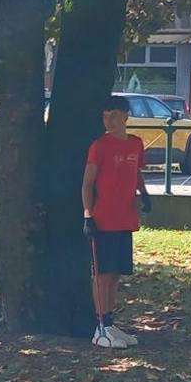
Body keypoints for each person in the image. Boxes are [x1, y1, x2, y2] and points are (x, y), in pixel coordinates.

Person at [81, 95, 151, 349]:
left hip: (125, 218)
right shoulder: (99, 146)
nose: (109, 121)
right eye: (105, 116)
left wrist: (144, 193)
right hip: (104, 219)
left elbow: (136, 172)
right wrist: (88, 215)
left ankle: (110, 322)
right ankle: (100, 326)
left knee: (116, 273)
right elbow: (87, 183)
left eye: (114, 116)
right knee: (102, 273)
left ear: (125, 117)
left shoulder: (135, 144)